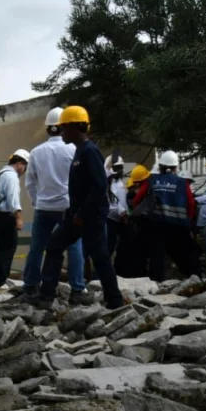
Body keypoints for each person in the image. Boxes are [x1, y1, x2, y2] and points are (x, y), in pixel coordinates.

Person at [36, 106, 124, 310]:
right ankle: (46, 296)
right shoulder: (79, 152)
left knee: (100, 257)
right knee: (55, 245)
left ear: (76, 127)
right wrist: (74, 213)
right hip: (78, 215)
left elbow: (100, 186)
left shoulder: (89, 152)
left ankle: (115, 300)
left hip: (90, 216)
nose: (62, 132)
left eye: (64, 127)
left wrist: (82, 213)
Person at [23, 107, 87, 302]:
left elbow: (30, 182)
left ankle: (31, 285)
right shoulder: (73, 149)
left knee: (37, 247)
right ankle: (77, 288)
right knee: (74, 246)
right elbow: (81, 180)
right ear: (64, 126)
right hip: (67, 206)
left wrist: (36, 201)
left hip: (43, 207)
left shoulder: (35, 152)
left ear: (47, 128)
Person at [130, 151, 200, 282]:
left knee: (157, 255)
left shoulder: (152, 179)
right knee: (185, 254)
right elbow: (190, 203)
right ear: (175, 167)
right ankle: (195, 279)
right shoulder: (182, 182)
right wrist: (188, 221)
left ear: (160, 166)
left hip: (156, 225)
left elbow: (137, 200)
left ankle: (156, 282)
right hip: (179, 226)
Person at [0, 150, 30, 289]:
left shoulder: (0, 173)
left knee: (3, 250)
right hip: (4, 217)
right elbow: (13, 199)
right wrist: (19, 218)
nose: (24, 171)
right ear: (20, 164)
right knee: (7, 250)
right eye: (25, 167)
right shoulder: (11, 176)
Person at [115, 165, 151, 278]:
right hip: (135, 227)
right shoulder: (136, 195)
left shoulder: (147, 192)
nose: (135, 189)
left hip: (139, 227)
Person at [105, 156, 127, 258]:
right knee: (109, 249)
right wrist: (124, 215)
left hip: (113, 219)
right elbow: (116, 205)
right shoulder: (114, 184)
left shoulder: (116, 182)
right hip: (112, 220)